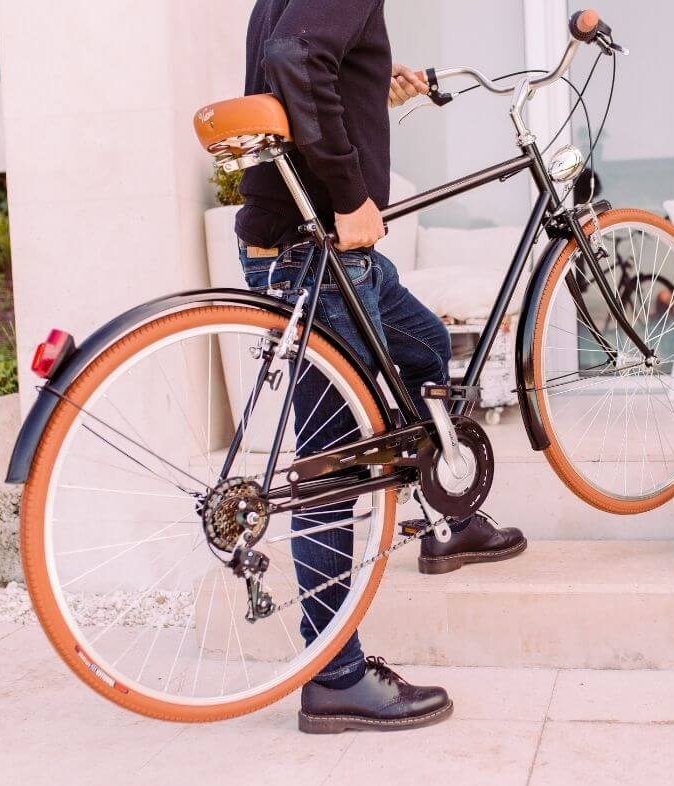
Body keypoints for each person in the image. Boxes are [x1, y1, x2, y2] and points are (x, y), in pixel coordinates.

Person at [237, 0, 527, 734]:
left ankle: (444, 518)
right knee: (333, 468)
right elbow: (297, 59)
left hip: (320, 253)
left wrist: (369, 81)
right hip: (318, 253)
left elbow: (307, 56)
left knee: (425, 346)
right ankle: (335, 678)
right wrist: (351, 193)